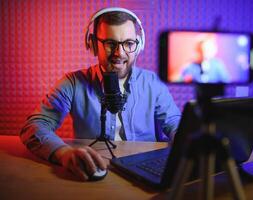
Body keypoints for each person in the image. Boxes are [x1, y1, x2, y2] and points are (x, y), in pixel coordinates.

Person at [20, 7, 181, 181]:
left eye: (128, 43)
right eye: (110, 43)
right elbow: (34, 126)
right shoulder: (73, 83)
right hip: (93, 171)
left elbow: (174, 123)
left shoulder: (152, 82)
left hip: (144, 173)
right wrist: (63, 153)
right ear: (93, 44)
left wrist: (184, 141)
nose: (119, 53)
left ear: (138, 44)